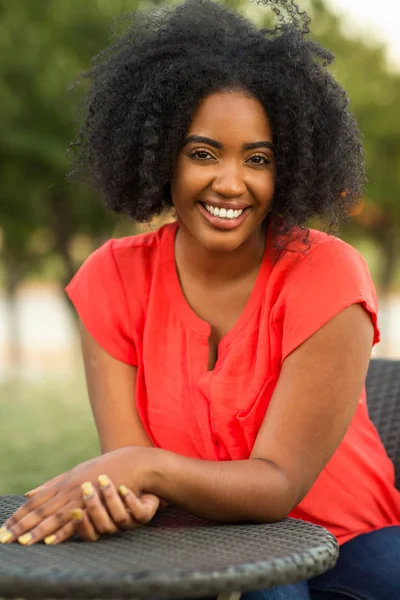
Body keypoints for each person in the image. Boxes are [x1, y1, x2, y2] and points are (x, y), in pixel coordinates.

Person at [1, 0, 399, 597]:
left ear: (286, 171)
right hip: (197, 541)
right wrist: (123, 497)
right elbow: (130, 468)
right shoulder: (111, 279)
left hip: (355, 547)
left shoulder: (329, 275)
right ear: (163, 156)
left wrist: (142, 469)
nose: (231, 183)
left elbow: (276, 486)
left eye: (258, 159)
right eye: (204, 153)